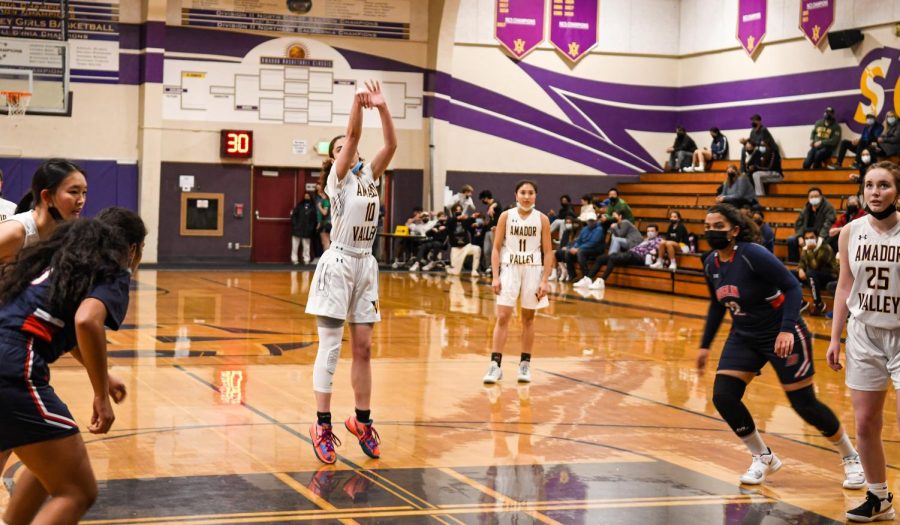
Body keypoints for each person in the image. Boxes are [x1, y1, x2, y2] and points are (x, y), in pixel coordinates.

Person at [696, 203, 863, 488]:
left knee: (804, 405)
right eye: (708, 227)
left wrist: (786, 330)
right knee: (724, 397)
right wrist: (704, 345)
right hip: (744, 334)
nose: (712, 231)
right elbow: (716, 304)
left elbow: (792, 286)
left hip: (781, 331)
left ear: (734, 230)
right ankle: (763, 457)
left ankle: (851, 457)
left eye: (719, 227)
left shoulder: (753, 255)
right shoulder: (711, 262)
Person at [0, 217, 145, 525]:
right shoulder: (112, 271)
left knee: (50, 463)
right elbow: (87, 321)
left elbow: (62, 326)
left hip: (7, 355)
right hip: (12, 364)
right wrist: (99, 396)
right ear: (132, 249)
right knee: (78, 491)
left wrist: (103, 377)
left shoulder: (63, 261)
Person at [305, 80, 397, 465]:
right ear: (336, 156)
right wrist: (358, 105)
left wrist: (383, 105)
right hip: (338, 263)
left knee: (364, 349)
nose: (351, 148)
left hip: (365, 264)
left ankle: (361, 421)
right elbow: (354, 133)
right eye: (342, 147)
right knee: (331, 347)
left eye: (351, 147)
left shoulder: (370, 176)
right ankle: (321, 425)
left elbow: (390, 144)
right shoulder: (337, 179)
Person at [825, 161, 900, 522]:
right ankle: (879, 497)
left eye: (883, 185)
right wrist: (835, 337)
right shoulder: (850, 232)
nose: (875, 191)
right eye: (869, 185)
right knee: (866, 422)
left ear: (896, 192)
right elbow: (844, 285)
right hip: (864, 333)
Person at [483, 180, 553, 385]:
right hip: (510, 268)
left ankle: (525, 364)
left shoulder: (543, 219)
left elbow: (548, 252)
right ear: (516, 195)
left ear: (535, 196)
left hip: (533, 269)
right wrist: (495, 276)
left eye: (531, 192)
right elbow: (496, 248)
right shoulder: (506, 216)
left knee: (528, 318)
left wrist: (545, 280)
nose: (527, 196)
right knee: (503, 316)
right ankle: (495, 366)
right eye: (523, 192)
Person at [585, 225, 662, 290]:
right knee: (601, 258)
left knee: (613, 258)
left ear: (657, 232)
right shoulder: (645, 240)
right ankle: (588, 278)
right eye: (648, 231)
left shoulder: (659, 241)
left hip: (639, 257)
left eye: (652, 231)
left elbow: (654, 252)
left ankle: (601, 280)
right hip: (630, 254)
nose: (649, 233)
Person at [794, 228, 838, 316]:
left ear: (817, 237)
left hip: (829, 275)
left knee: (810, 272)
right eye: (806, 238)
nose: (809, 240)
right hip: (813, 277)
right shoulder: (806, 249)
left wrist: (809, 250)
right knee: (791, 274)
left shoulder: (825, 247)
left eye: (812, 237)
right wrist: (800, 269)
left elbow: (815, 266)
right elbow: (801, 263)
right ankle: (801, 301)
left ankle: (818, 304)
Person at [788, 188, 836, 263]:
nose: (814, 198)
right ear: (808, 198)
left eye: (816, 196)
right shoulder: (807, 207)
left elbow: (828, 223)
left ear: (821, 197)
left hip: (820, 235)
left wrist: (820, 237)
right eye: (811, 197)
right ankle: (794, 264)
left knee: (826, 243)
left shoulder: (828, 207)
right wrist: (800, 236)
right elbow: (799, 223)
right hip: (806, 235)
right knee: (791, 240)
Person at [558, 209, 604, 287]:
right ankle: (573, 275)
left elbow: (592, 243)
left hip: (595, 249)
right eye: (589, 220)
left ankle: (586, 277)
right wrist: (574, 247)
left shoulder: (599, 229)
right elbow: (579, 241)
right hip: (584, 248)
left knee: (580, 252)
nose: (590, 222)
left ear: (595, 220)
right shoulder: (584, 229)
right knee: (568, 252)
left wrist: (578, 249)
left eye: (592, 220)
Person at [446, 204, 481, 277]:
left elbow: (469, 223)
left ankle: (474, 270)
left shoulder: (464, 221)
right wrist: (458, 218)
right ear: (453, 212)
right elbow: (450, 223)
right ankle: (448, 268)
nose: (459, 211)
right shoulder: (450, 220)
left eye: (460, 210)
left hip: (466, 246)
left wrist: (473, 217)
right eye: (456, 210)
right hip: (456, 248)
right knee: (456, 273)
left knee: (477, 249)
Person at [479, 190, 502, 276]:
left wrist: (492, 207)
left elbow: (496, 204)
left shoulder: (496, 202)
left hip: (495, 230)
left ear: (485, 198)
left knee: (494, 250)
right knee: (486, 250)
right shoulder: (489, 206)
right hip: (488, 230)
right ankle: (489, 267)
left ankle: (495, 268)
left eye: (482, 199)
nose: (482, 201)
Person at [290, 192, 317, 265]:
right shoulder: (299, 205)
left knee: (306, 246)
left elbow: (314, 219)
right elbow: (294, 216)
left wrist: (311, 227)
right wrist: (295, 225)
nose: (306, 197)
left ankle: (306, 259)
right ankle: (294, 259)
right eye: (305, 196)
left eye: (308, 196)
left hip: (307, 229)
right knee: (295, 245)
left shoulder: (313, 207)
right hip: (297, 229)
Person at [315, 182, 331, 255]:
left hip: (326, 223)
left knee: (326, 242)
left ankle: (327, 258)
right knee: (324, 242)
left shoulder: (326, 201)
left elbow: (324, 212)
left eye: (322, 193)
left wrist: (319, 207)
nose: (320, 194)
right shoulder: (325, 201)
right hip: (325, 223)